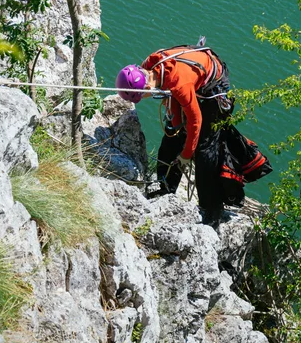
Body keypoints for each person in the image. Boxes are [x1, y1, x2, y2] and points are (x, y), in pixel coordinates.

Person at [116, 41, 272, 227]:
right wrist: (176, 127)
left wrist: (186, 155)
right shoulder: (148, 66)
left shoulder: (179, 84)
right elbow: (173, 96)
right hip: (192, 77)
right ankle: (165, 188)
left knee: (205, 149)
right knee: (172, 136)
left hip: (213, 88)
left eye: (144, 96)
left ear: (147, 88)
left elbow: (195, 122)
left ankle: (211, 209)